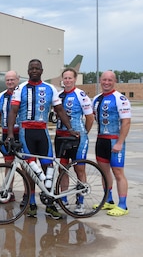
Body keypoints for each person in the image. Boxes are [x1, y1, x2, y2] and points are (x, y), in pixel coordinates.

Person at [6, 59, 78, 219]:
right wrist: (11, 134)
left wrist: (70, 128)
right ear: (28, 70)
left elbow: (59, 110)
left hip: (42, 131)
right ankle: (31, 203)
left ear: (41, 70)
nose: (34, 70)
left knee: (48, 167)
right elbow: (13, 111)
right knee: (31, 170)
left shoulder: (50, 88)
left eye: (37, 68)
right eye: (31, 68)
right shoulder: (21, 88)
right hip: (26, 131)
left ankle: (49, 203)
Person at [55, 68, 94, 214]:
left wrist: (83, 134)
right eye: (65, 78)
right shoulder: (58, 95)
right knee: (63, 169)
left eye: (70, 78)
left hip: (77, 139)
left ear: (75, 79)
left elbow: (90, 118)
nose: (67, 80)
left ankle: (80, 202)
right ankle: (63, 199)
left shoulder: (80, 94)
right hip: (61, 136)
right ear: (62, 79)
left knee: (79, 169)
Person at [92, 70, 131, 216]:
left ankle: (123, 205)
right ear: (100, 81)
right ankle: (108, 201)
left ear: (114, 81)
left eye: (110, 80)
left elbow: (126, 122)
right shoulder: (96, 99)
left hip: (115, 141)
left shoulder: (120, 98)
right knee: (104, 173)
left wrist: (120, 143)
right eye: (104, 80)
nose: (106, 83)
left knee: (118, 173)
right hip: (101, 140)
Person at [0, 70, 20, 202]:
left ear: (18, 79)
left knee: (25, 164)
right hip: (6, 132)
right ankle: (9, 191)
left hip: (20, 132)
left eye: (12, 79)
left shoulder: (22, 93)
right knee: (8, 163)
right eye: (8, 80)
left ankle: (28, 194)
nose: (10, 82)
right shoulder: (1, 96)